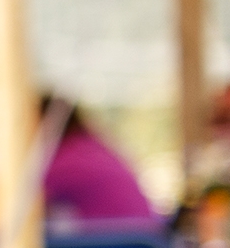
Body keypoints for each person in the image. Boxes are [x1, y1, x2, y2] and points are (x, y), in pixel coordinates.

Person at [37, 92, 158, 227]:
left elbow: (26, 195)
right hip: (137, 238)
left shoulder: (71, 156)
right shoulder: (89, 146)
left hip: (114, 242)